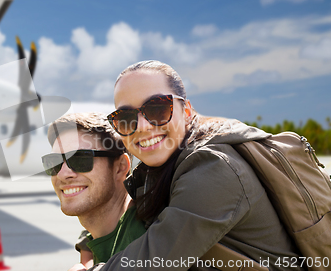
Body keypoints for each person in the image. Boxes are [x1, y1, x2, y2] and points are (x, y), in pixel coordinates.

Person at [79, 60, 304, 271]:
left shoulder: (215, 168)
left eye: (158, 108)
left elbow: (154, 260)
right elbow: (124, 206)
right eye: (126, 117)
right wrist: (87, 248)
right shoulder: (161, 168)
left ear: (186, 112)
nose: (142, 126)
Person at [42, 113, 146, 269]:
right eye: (54, 162)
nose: (63, 174)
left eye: (80, 159)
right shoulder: (102, 236)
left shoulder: (144, 242)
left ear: (120, 167)